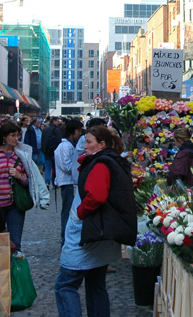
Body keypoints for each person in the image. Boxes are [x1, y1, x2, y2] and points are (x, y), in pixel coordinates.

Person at [55, 126, 137, 317]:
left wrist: (79, 214)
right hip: (100, 233)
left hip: (91, 232)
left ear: (102, 144)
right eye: (85, 141)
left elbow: (96, 196)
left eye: (89, 142)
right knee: (96, 285)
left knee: (65, 285)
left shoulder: (100, 164)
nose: (84, 146)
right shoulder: (110, 160)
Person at [0, 119, 49, 250]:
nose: (16, 139)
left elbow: (31, 181)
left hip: (15, 205)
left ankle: (15, 269)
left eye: (17, 135)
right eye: (13, 135)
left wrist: (20, 177)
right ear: (4, 137)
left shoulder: (21, 156)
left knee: (15, 242)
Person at [55, 119, 85, 245]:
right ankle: (65, 239)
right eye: (78, 130)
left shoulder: (71, 145)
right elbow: (67, 167)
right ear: (73, 131)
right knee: (67, 211)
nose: (79, 133)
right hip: (66, 182)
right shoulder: (64, 146)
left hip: (71, 182)